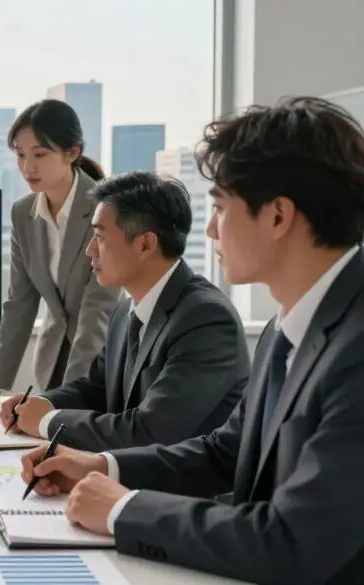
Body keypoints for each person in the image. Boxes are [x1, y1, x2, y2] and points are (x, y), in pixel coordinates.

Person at [20, 96, 364, 584]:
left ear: (278, 216)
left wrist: (125, 511)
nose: (208, 228)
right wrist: (99, 465)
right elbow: (226, 453)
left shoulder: (355, 347)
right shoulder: (284, 329)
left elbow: (295, 541)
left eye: (221, 207)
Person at [2, 172, 248, 450]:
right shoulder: (125, 312)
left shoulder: (206, 319)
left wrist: (46, 421)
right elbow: (97, 389)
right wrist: (44, 403)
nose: (90, 250)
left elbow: (150, 431)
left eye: (99, 237)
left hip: (183, 490)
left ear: (145, 244)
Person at [0, 99, 122, 402]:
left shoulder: (105, 208)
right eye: (20, 155)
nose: (27, 167)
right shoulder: (23, 213)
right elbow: (20, 301)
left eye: (40, 155)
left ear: (72, 152)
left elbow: (98, 308)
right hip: (52, 360)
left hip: (102, 361)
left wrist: (68, 398)